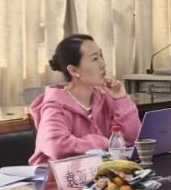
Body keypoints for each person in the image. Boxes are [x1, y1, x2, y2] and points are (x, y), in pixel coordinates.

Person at [30, 35, 142, 164]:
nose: (103, 64)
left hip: (99, 172)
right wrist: (105, 143)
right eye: (95, 59)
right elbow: (57, 146)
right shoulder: (55, 105)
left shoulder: (104, 99)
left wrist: (121, 100)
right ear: (73, 70)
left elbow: (132, 139)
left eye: (101, 56)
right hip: (57, 175)